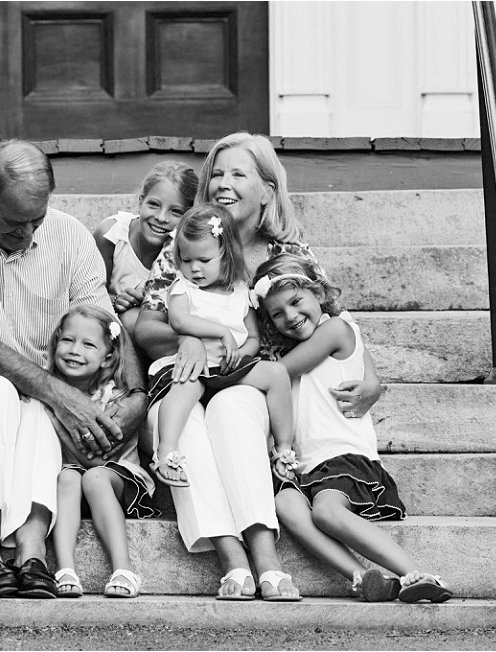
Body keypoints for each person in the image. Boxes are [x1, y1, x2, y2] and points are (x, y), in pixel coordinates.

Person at [133, 131, 383, 602]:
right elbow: (146, 327)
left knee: (237, 407)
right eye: (217, 174)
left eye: (238, 174)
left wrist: (370, 374)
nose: (223, 183)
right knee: (181, 424)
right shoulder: (182, 246)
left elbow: (334, 319)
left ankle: (266, 559)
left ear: (268, 189)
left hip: (254, 382)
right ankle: (232, 562)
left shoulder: (289, 254)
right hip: (186, 376)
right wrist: (188, 334)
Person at [0, 140, 147, 600]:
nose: (30, 234)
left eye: (38, 219)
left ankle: (32, 554)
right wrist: (65, 395)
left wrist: (136, 395)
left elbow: (106, 324)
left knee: (33, 408)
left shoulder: (70, 235)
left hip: (34, 393)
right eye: (15, 224)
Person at [252, 254, 452, 603]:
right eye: (277, 314)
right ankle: (362, 579)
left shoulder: (336, 329)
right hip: (307, 468)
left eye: (296, 302)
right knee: (285, 503)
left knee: (327, 512)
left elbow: (277, 374)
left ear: (318, 292)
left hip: (343, 459)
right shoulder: (299, 346)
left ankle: (417, 574)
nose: (290, 317)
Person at [147, 204, 295, 490]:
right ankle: (165, 452)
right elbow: (178, 321)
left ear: (226, 254)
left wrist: (242, 353)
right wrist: (221, 332)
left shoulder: (240, 290)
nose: (194, 268)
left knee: (276, 375)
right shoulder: (183, 288)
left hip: (230, 368)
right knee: (184, 387)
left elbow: (253, 337)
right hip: (197, 367)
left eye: (203, 259)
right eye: (186, 259)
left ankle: (284, 448)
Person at [47, 306, 158, 599]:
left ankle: (123, 568)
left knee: (94, 476)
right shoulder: (50, 390)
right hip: (71, 486)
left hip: (119, 480)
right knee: (68, 477)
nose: (74, 351)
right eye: (67, 340)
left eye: (88, 344)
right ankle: (65, 568)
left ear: (108, 357)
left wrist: (56, 422)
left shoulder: (115, 399)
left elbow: (96, 458)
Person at [93, 161, 198, 332]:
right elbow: (89, 295)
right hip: (109, 328)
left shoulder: (188, 251)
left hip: (160, 331)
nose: (161, 218)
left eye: (176, 212)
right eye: (154, 204)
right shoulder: (112, 236)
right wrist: (116, 300)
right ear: (141, 201)